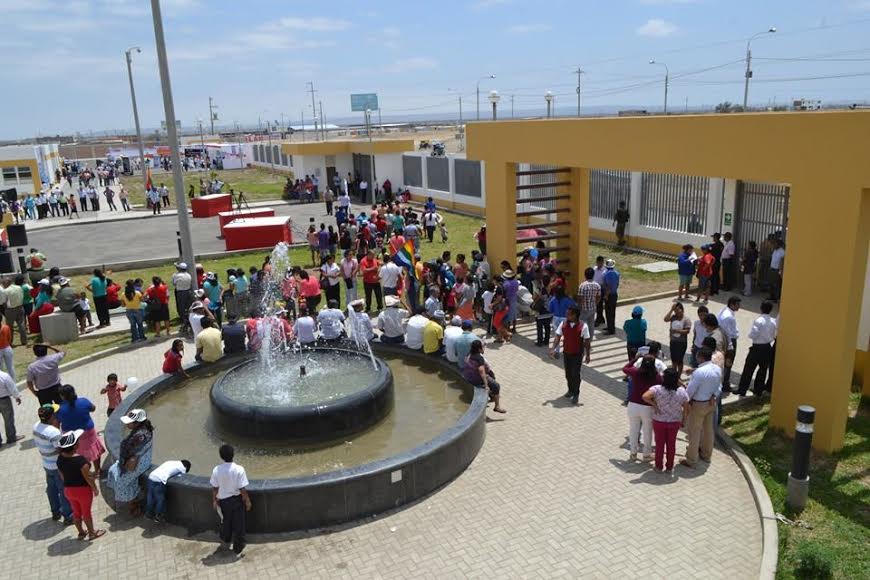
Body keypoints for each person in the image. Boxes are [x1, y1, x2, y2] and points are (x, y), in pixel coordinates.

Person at [56, 429, 106, 540]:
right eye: (77, 441)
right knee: (86, 513)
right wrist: (95, 488)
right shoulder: (81, 461)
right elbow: (87, 477)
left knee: (76, 512)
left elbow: (62, 476)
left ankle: (81, 533)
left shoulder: (59, 459)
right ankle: (92, 533)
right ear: (74, 446)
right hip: (83, 491)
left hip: (68, 490)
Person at [106, 409, 154, 515]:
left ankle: (134, 504)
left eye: (129, 421)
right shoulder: (141, 430)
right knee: (113, 469)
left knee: (121, 482)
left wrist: (126, 463)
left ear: (137, 423)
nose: (126, 423)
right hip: (135, 459)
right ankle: (133, 497)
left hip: (139, 462)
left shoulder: (140, 436)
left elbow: (132, 455)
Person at [33, 403, 74, 524]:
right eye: (55, 415)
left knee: (51, 489)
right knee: (63, 490)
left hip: (46, 464)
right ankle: (68, 515)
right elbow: (60, 449)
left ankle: (55, 512)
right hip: (57, 466)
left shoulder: (36, 426)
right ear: (51, 417)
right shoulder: (53, 432)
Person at [642, 368, 690, 473]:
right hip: (674, 422)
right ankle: (669, 467)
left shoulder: (657, 389)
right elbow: (687, 407)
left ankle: (659, 466)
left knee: (659, 445)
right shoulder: (682, 391)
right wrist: (684, 419)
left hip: (659, 421)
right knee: (671, 445)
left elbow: (645, 396)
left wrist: (655, 405)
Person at [681, 347, 721, 468]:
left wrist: (684, 403)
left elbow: (690, 391)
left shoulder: (699, 372)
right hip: (711, 402)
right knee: (709, 431)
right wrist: (714, 395)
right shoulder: (717, 368)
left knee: (694, 432)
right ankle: (706, 455)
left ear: (701, 357)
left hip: (698, 404)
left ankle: (691, 459)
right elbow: (719, 386)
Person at [211, 444, 251, 556]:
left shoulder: (216, 470)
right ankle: (238, 546)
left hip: (223, 501)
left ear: (221, 456)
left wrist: (214, 500)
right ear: (233, 454)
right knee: (239, 524)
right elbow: (242, 488)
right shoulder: (239, 469)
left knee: (226, 521)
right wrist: (247, 501)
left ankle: (226, 538)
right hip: (237, 500)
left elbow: (215, 487)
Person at [57, 384, 105, 475]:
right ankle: (98, 470)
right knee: (94, 450)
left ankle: (83, 472)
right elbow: (93, 408)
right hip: (87, 433)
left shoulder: (60, 408)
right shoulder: (83, 401)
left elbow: (58, 421)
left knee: (76, 454)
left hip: (72, 437)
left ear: (62, 396)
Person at [622, 355, 662, 461]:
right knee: (647, 431)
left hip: (633, 405)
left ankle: (633, 453)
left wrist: (635, 358)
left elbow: (625, 368)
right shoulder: (657, 376)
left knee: (633, 429)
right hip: (648, 407)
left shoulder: (636, 372)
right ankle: (646, 454)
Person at [549, 305, 591, 406]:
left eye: (569, 314)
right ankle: (570, 390)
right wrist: (553, 348)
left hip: (577, 354)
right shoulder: (563, 324)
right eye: (567, 314)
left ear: (575, 315)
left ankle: (576, 393)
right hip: (567, 353)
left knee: (575, 374)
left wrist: (588, 355)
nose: (566, 315)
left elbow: (587, 341)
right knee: (568, 374)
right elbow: (558, 337)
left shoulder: (583, 326)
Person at [737, 301, 778, 397]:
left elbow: (753, 334)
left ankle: (742, 389)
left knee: (748, 369)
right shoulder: (773, 321)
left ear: (761, 308)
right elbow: (774, 334)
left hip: (757, 347)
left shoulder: (758, 321)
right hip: (767, 347)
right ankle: (758, 390)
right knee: (762, 370)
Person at [462, 340, 507, 413]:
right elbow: (481, 372)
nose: (484, 348)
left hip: (467, 376)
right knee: (496, 385)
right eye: (483, 347)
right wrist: (486, 385)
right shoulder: (479, 358)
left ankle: (492, 396)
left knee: (490, 377)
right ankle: (497, 406)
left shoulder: (468, 354)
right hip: (476, 379)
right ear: (479, 349)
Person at [145, 459, 191, 523]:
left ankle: (148, 513)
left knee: (150, 497)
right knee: (160, 499)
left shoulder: (170, 462)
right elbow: (183, 476)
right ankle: (158, 516)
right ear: (186, 467)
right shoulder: (182, 467)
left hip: (151, 476)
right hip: (159, 480)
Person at [718, 296, 741, 392]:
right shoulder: (728, 317)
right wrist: (730, 346)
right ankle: (725, 384)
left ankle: (724, 382)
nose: (739, 307)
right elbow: (727, 332)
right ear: (732, 304)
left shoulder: (725, 311)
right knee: (728, 363)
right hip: (729, 341)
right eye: (738, 304)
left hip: (726, 340)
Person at [664, 302, 691, 375]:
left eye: (678, 310)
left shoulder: (686, 319)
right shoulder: (673, 317)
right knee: (674, 360)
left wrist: (676, 331)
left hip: (681, 342)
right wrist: (671, 310)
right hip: (673, 341)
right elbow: (665, 319)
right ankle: (673, 374)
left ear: (682, 310)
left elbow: (687, 331)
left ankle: (678, 375)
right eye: (675, 311)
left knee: (679, 360)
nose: (676, 312)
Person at [0, 365, 22, 446]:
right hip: (4, 400)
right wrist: (17, 397)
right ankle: (11, 437)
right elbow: (12, 388)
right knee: (8, 419)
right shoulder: (4, 376)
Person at [4, 276, 26, 346]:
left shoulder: (6, 291)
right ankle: (24, 340)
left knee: (10, 327)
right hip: (20, 307)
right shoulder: (19, 287)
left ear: (6, 283)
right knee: (21, 324)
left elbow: (4, 301)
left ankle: (10, 342)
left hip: (10, 310)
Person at [172, 263, 193, 334]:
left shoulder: (177, 276)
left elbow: (174, 283)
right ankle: (189, 319)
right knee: (188, 306)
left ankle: (184, 321)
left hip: (180, 292)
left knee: (181, 307)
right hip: (188, 291)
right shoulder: (189, 275)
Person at [602, 259, 620, 334]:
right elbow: (617, 284)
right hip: (614, 294)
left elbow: (608, 286)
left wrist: (606, 295)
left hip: (609, 295)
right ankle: (610, 326)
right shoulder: (617, 273)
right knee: (612, 312)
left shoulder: (606, 274)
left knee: (608, 312)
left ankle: (611, 330)